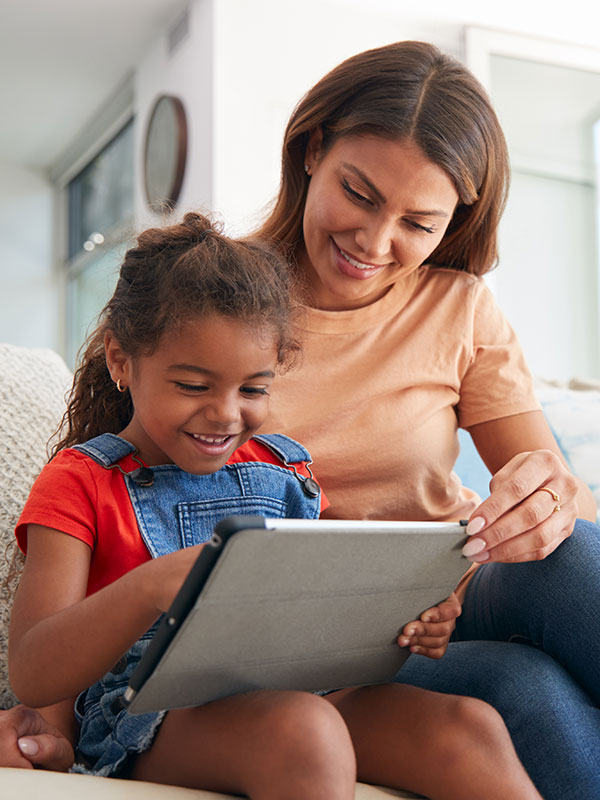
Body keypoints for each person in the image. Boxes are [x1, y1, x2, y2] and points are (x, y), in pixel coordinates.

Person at [6, 212, 541, 799]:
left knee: (469, 727)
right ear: (120, 360)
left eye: (253, 389)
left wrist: (411, 623)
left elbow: (325, 609)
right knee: (303, 733)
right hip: (145, 718)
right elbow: (34, 669)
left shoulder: (285, 471)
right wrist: (155, 586)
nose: (225, 413)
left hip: (299, 688)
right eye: (193, 385)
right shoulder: (81, 481)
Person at [248, 40, 600, 799]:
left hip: (455, 595)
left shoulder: (460, 307)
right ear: (313, 151)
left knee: (568, 558)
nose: (375, 243)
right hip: (327, 637)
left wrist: (547, 501)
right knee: (526, 688)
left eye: (419, 222)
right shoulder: (213, 300)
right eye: (361, 193)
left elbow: (555, 496)